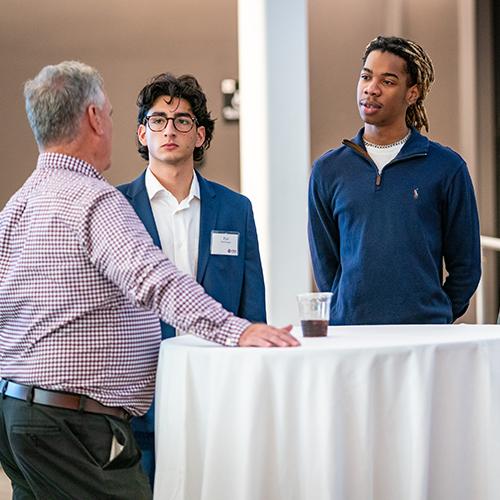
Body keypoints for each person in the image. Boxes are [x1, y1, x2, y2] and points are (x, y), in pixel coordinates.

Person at [0, 61, 298, 500]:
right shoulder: (99, 200)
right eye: (116, 114)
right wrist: (240, 331)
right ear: (94, 118)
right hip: (79, 424)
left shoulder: (17, 205)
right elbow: (155, 281)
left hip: (15, 415)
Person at [117, 72, 266, 487]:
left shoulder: (235, 209)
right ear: (142, 133)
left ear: (200, 136)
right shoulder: (116, 207)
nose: (170, 129)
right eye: (158, 120)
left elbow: (251, 305)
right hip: (140, 393)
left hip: (216, 389)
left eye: (182, 121)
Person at [308, 35, 481, 325]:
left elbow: (466, 265)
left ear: (412, 93)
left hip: (423, 336)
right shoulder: (328, 169)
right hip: (351, 333)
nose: (371, 89)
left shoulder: (446, 167)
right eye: (366, 77)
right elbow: (325, 262)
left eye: (387, 82)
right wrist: (344, 310)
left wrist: (437, 314)